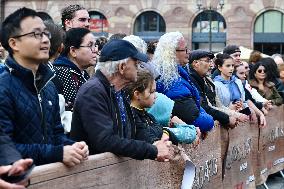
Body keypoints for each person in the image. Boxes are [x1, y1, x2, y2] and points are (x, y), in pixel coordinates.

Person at [0, 7, 88, 166]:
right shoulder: (4, 88)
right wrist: (57, 153)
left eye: (46, 34)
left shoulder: (48, 86)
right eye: (36, 34)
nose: (46, 40)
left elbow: (56, 134)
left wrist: (72, 146)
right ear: (14, 43)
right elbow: (6, 148)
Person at [70, 39, 173, 161]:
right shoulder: (93, 91)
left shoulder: (119, 90)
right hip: (93, 174)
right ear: (122, 67)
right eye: (135, 64)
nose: (138, 68)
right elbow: (105, 141)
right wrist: (152, 150)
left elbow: (135, 128)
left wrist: (155, 144)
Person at [152, 32, 214, 134]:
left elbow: (195, 106)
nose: (188, 52)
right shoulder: (171, 80)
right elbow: (195, 119)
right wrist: (210, 119)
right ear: (172, 52)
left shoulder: (176, 73)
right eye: (185, 49)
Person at [124, 69, 199, 145]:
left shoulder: (147, 115)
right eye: (152, 92)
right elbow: (152, 135)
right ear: (137, 94)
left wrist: (165, 132)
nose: (155, 96)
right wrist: (166, 133)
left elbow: (158, 130)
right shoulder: (132, 119)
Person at [187, 50, 237, 128]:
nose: (211, 65)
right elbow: (205, 107)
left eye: (211, 61)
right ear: (196, 63)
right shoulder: (191, 80)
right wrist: (227, 118)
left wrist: (233, 114)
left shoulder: (207, 80)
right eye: (208, 61)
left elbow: (218, 104)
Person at [53, 28, 97, 111]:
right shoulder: (63, 72)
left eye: (95, 45)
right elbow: (72, 107)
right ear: (73, 51)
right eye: (90, 45)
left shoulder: (81, 73)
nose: (95, 50)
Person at [213, 54, 250, 122]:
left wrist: (241, 105)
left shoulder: (237, 81)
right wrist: (229, 109)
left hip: (241, 117)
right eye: (228, 66)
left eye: (232, 65)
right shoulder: (215, 85)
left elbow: (244, 101)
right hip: (226, 120)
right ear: (220, 67)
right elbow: (216, 106)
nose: (231, 68)